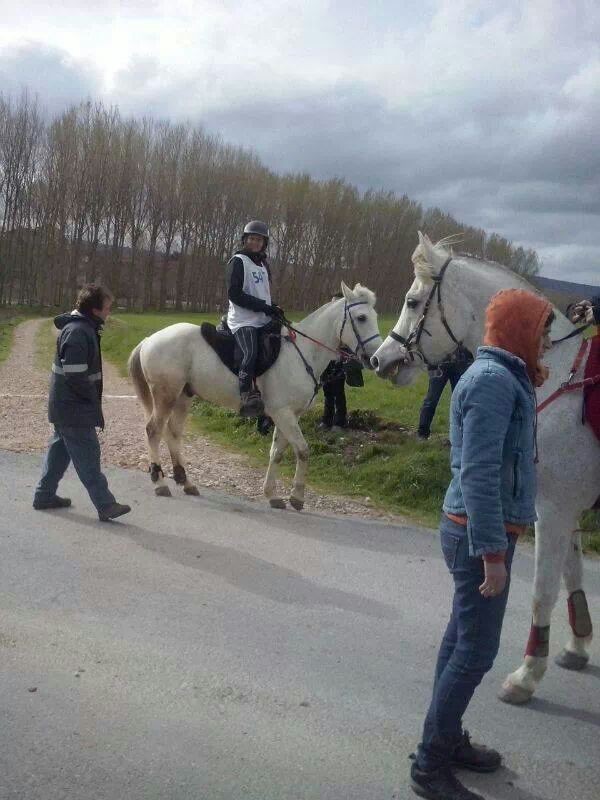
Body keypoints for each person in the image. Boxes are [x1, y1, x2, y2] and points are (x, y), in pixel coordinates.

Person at [410, 289, 554, 800]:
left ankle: (445, 739)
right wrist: (493, 554)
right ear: (518, 329)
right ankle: (430, 765)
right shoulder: (493, 381)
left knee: (459, 640)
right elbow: (479, 472)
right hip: (477, 533)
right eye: (541, 328)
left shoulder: (506, 375)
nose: (546, 339)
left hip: (479, 530)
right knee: (475, 651)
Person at [33, 285, 131, 522]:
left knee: (59, 451)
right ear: (95, 310)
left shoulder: (83, 328)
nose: (109, 312)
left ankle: (44, 496)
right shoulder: (78, 332)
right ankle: (106, 505)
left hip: (66, 406)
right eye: (107, 308)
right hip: (74, 408)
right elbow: (75, 375)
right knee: (88, 455)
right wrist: (90, 401)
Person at [226, 220, 283, 418]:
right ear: (245, 240)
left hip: (262, 316)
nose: (255, 242)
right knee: (250, 352)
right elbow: (235, 294)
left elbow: (261, 294)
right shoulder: (238, 261)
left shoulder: (263, 264)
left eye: (259, 240)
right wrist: (264, 307)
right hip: (243, 320)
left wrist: (273, 307)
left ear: (264, 243)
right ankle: (246, 395)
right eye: (252, 238)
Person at [417, 348, 473, 440]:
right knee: (431, 400)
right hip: (439, 366)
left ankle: (461, 435)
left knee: (460, 402)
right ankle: (422, 433)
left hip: (459, 365)